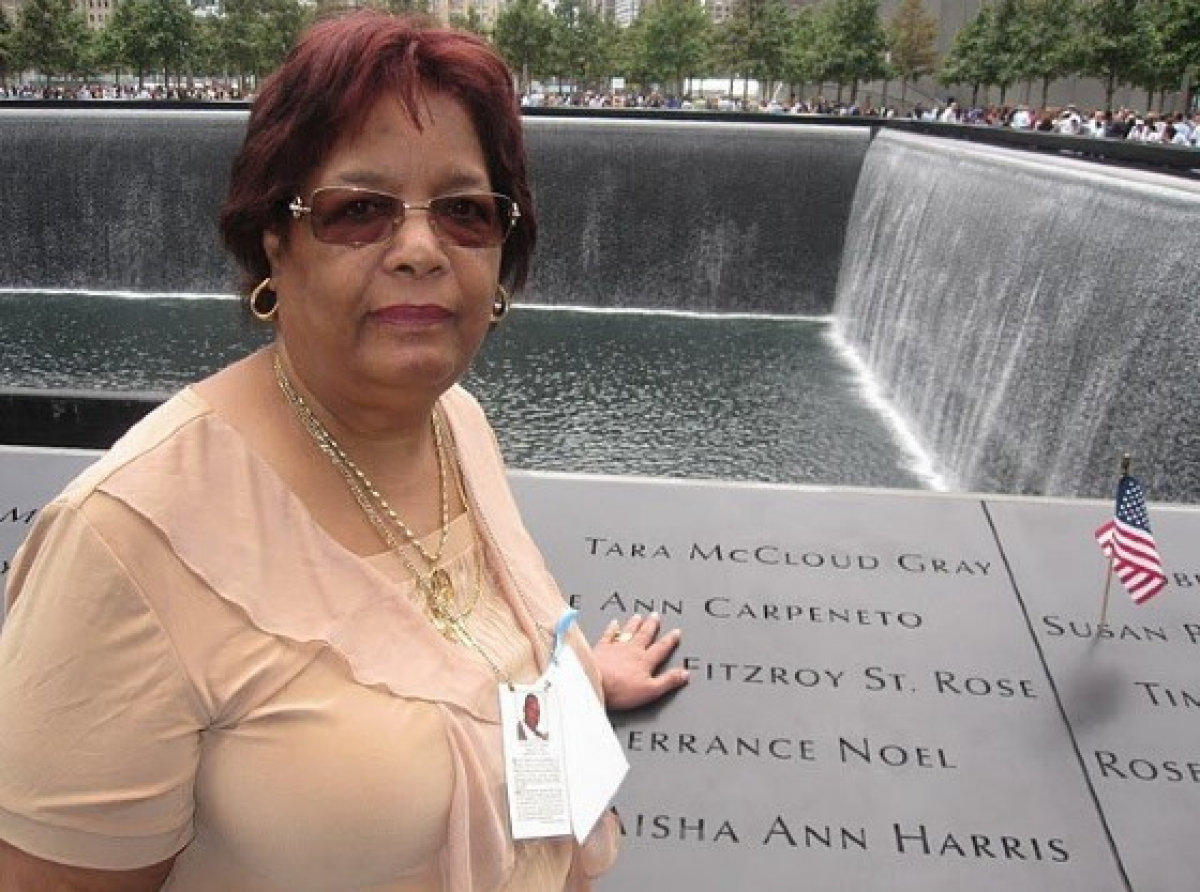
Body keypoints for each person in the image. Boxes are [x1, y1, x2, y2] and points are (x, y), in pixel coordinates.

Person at [0, 11, 688, 891]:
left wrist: (579, 676)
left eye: (465, 213)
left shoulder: (456, 426)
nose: (419, 250)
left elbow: (456, 653)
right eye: (357, 211)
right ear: (272, 244)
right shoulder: (126, 542)